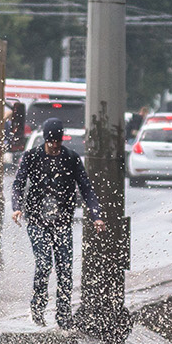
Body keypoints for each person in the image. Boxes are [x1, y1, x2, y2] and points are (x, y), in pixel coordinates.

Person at [10, 119, 105, 328]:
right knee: (44, 264)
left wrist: (96, 215)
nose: (54, 146)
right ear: (45, 139)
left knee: (64, 268)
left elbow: (86, 188)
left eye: (57, 142)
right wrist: (16, 207)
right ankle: (38, 308)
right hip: (36, 221)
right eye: (51, 141)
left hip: (62, 222)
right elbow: (17, 184)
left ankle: (63, 315)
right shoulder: (32, 157)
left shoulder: (70, 158)